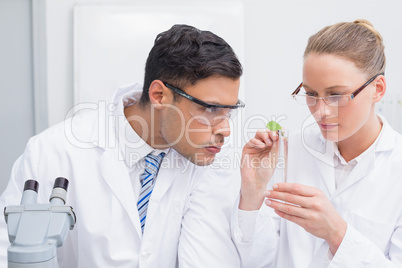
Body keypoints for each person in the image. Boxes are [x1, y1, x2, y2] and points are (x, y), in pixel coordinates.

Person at [0, 24, 244, 267]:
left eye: (229, 111)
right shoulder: (53, 151)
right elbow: (8, 251)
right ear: (159, 95)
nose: (225, 130)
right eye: (210, 108)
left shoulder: (205, 157)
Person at [233, 19, 402, 267]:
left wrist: (337, 234)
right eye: (311, 94)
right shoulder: (288, 152)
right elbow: (257, 260)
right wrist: (252, 194)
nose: (320, 111)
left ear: (377, 88)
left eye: (335, 95)